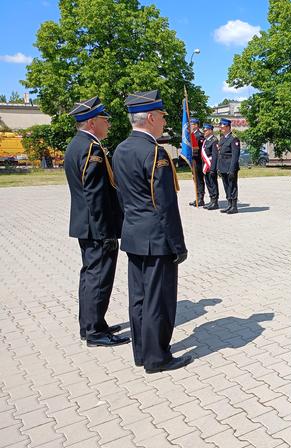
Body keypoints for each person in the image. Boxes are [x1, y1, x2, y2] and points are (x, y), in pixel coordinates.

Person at [112, 90, 191, 373]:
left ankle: (141, 353)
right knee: (159, 299)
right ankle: (158, 358)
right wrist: (178, 244)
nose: (162, 123)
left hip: (133, 234)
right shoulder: (155, 152)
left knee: (139, 298)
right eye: (160, 117)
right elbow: (165, 205)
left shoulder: (120, 149)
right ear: (150, 118)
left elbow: (120, 195)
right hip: (157, 239)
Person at [64, 96, 129, 347]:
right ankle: (95, 333)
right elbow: (95, 195)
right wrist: (106, 233)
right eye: (104, 119)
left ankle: (91, 324)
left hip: (85, 224)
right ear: (91, 122)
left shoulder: (77, 144)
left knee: (90, 276)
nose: (108, 124)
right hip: (97, 227)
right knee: (99, 278)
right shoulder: (91, 149)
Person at [216, 118, 241, 214]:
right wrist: (219, 167)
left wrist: (232, 169)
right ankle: (229, 204)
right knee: (226, 186)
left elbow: (235, 155)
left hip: (230, 167)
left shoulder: (234, 138)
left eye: (222, 127)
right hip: (223, 167)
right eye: (221, 127)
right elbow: (220, 154)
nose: (221, 128)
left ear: (228, 127)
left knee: (232, 186)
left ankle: (234, 206)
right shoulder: (222, 138)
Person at [200, 123, 219, 210]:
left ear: (211, 130)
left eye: (206, 130)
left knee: (213, 183)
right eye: (204, 130)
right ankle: (211, 200)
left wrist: (213, 168)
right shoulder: (206, 140)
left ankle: (215, 202)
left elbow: (215, 155)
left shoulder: (214, 140)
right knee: (208, 183)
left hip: (211, 165)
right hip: (206, 166)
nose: (204, 132)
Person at [189, 118, 206, 207]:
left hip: (198, 160)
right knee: (195, 179)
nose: (190, 126)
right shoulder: (191, 135)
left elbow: (198, 150)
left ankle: (200, 199)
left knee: (199, 179)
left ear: (196, 125)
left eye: (191, 124)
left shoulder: (199, 135)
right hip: (193, 160)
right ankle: (197, 197)